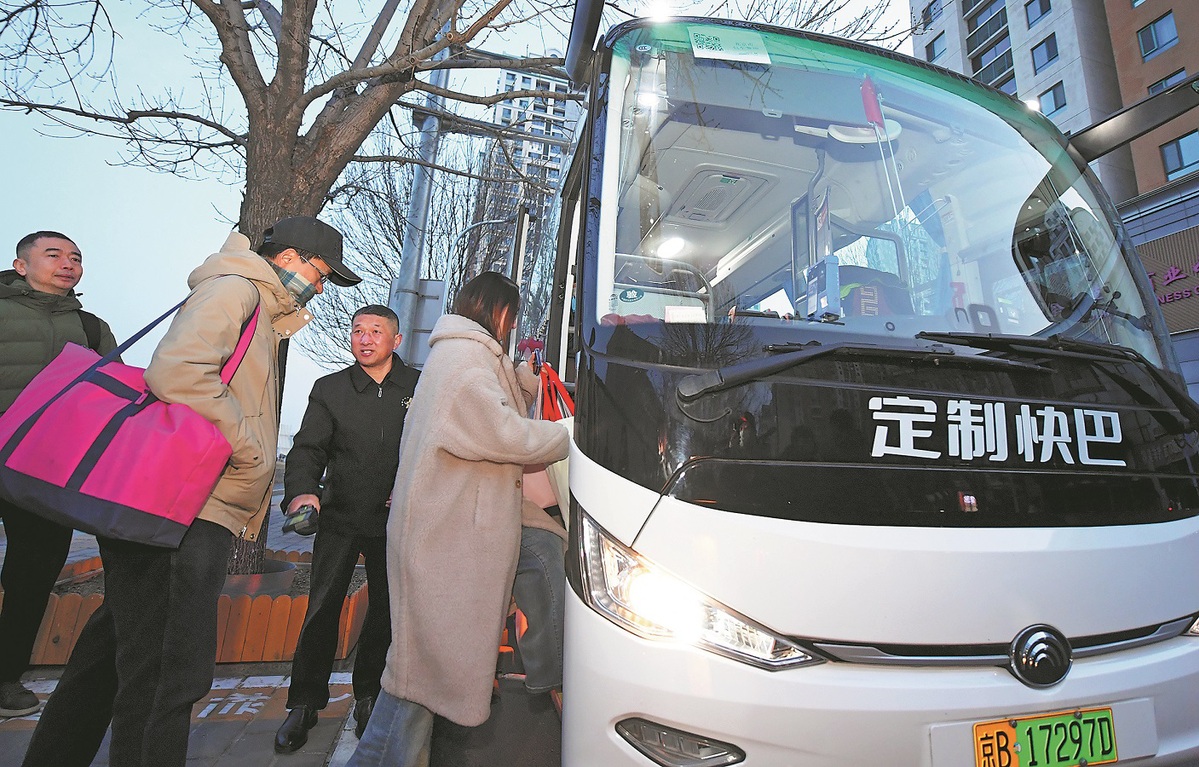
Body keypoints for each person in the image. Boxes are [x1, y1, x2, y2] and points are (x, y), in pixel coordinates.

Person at [20, 216, 360, 767]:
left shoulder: (252, 302)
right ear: (292, 258)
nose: (319, 287)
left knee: (114, 656)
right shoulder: (235, 290)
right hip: (186, 505)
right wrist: (248, 449)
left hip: (180, 504)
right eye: (321, 273)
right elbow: (177, 372)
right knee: (167, 675)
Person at [348, 271, 570, 767]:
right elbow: (501, 433)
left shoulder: (461, 355)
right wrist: (568, 434)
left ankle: (547, 674)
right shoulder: (466, 360)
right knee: (418, 678)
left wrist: (525, 380)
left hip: (450, 530)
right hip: (448, 537)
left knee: (423, 674)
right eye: (511, 316)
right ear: (498, 312)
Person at [275, 304, 420, 753]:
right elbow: (307, 449)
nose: (365, 338)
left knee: (385, 612)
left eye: (377, 331)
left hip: (394, 521)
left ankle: (369, 694)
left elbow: (433, 447)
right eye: (358, 330)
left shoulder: (420, 387)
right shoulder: (330, 389)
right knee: (322, 608)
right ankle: (303, 703)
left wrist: (415, 488)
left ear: (395, 341)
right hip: (338, 517)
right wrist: (301, 492)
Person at [0, 232, 118, 718]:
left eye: (76, 258)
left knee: (33, 572)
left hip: (47, 470)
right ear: (20, 265)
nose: (68, 264)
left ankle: (7, 679)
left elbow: (113, 393)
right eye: (54, 255)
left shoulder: (91, 328)